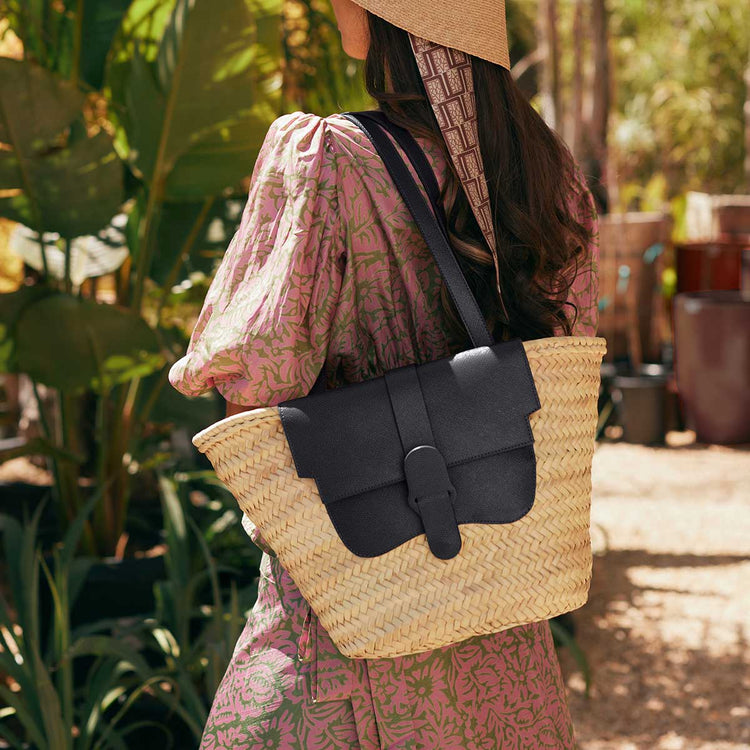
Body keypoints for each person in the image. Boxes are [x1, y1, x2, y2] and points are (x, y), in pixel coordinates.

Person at [169, 0, 600, 747]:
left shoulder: (329, 156)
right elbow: (573, 338)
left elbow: (260, 371)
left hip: (359, 591)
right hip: (500, 603)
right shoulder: (543, 169)